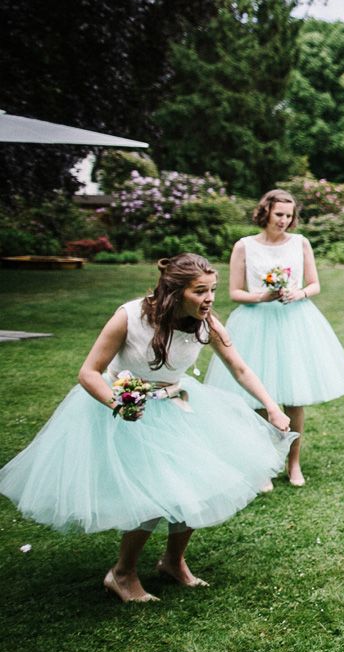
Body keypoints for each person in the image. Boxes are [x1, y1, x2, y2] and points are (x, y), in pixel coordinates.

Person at [0, 254, 294, 603]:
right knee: (153, 494)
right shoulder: (129, 317)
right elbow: (89, 372)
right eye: (200, 291)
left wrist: (273, 408)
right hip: (128, 410)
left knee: (195, 485)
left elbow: (240, 368)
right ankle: (122, 573)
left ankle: (173, 561)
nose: (210, 298)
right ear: (174, 291)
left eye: (212, 290)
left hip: (178, 406)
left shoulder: (208, 324)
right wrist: (118, 404)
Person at [205, 189, 344, 487]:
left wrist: (298, 292)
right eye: (279, 215)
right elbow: (235, 292)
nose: (284, 221)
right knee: (260, 398)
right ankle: (264, 464)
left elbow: (314, 284)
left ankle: (293, 462)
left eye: (289, 216)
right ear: (265, 212)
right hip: (256, 321)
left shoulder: (301, 243)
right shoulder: (244, 247)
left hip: (294, 322)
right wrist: (263, 296)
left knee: (294, 397)